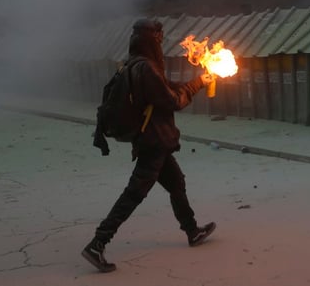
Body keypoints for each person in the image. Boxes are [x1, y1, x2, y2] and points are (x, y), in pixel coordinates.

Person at [82, 18, 217, 273]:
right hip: (153, 141)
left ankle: (191, 231)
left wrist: (199, 79)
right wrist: (198, 84)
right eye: (159, 38)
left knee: (176, 182)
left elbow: (165, 89)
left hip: (154, 140)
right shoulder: (146, 69)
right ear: (151, 40)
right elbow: (171, 100)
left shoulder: (134, 65)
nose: (162, 43)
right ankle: (98, 242)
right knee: (134, 193)